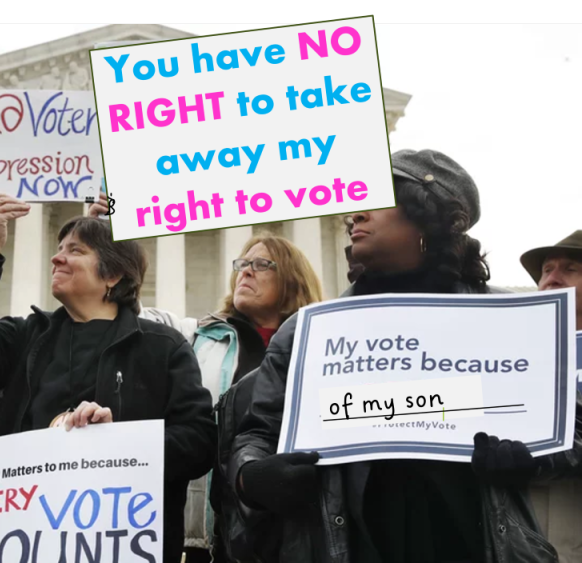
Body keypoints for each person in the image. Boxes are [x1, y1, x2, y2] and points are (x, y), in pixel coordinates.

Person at [230, 149, 563, 562]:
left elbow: (571, 428)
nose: (356, 215)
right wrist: (251, 476)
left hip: (467, 541)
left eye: (378, 202)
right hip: (354, 543)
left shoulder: (509, 321)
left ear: (429, 217)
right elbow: (256, 433)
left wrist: (533, 456)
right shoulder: (306, 330)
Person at [0, 194, 217, 563]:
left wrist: (118, 439)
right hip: (25, 537)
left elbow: (198, 442)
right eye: (58, 248)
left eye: (75, 250)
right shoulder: (27, 337)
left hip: (117, 545)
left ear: (113, 275)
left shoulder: (162, 348)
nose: (56, 257)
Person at [88, 192, 324, 563]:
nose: (244, 271)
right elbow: (130, 315)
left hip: (288, 531)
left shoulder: (318, 348)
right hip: (206, 535)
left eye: (262, 264)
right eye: (242, 262)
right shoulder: (196, 336)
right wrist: (104, 240)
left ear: (293, 278)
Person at [520, 230, 582, 563]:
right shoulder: (513, 349)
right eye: (546, 270)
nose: (552, 279)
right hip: (528, 512)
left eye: (570, 269)